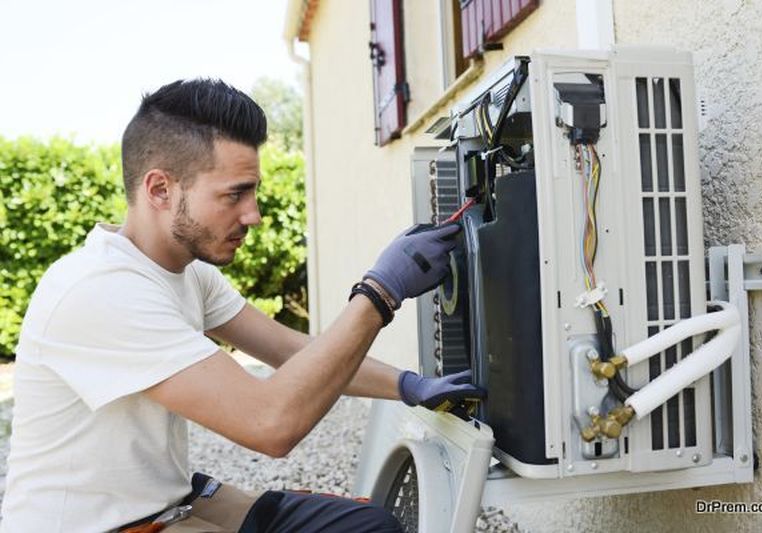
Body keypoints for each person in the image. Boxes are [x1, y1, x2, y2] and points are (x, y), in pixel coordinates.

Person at [0, 79, 485, 532]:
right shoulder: (101, 289)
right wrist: (380, 293)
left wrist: (408, 385)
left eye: (251, 191)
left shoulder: (188, 272)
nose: (252, 214)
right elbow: (270, 423)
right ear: (160, 190)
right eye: (234, 194)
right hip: (97, 525)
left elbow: (290, 350)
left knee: (367, 526)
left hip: (162, 501)